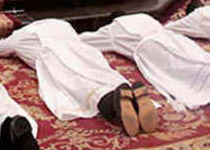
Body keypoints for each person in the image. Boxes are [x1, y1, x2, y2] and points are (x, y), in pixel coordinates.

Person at [0, 19, 157, 136]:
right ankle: (131, 95)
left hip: (54, 56)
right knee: (104, 74)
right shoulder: (62, 24)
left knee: (80, 87)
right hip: (84, 51)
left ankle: (114, 103)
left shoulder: (21, 36)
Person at [81, 12, 210, 112]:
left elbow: (84, 41)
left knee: (180, 68)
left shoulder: (112, 30)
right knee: (195, 57)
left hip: (152, 49)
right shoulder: (145, 17)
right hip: (175, 41)